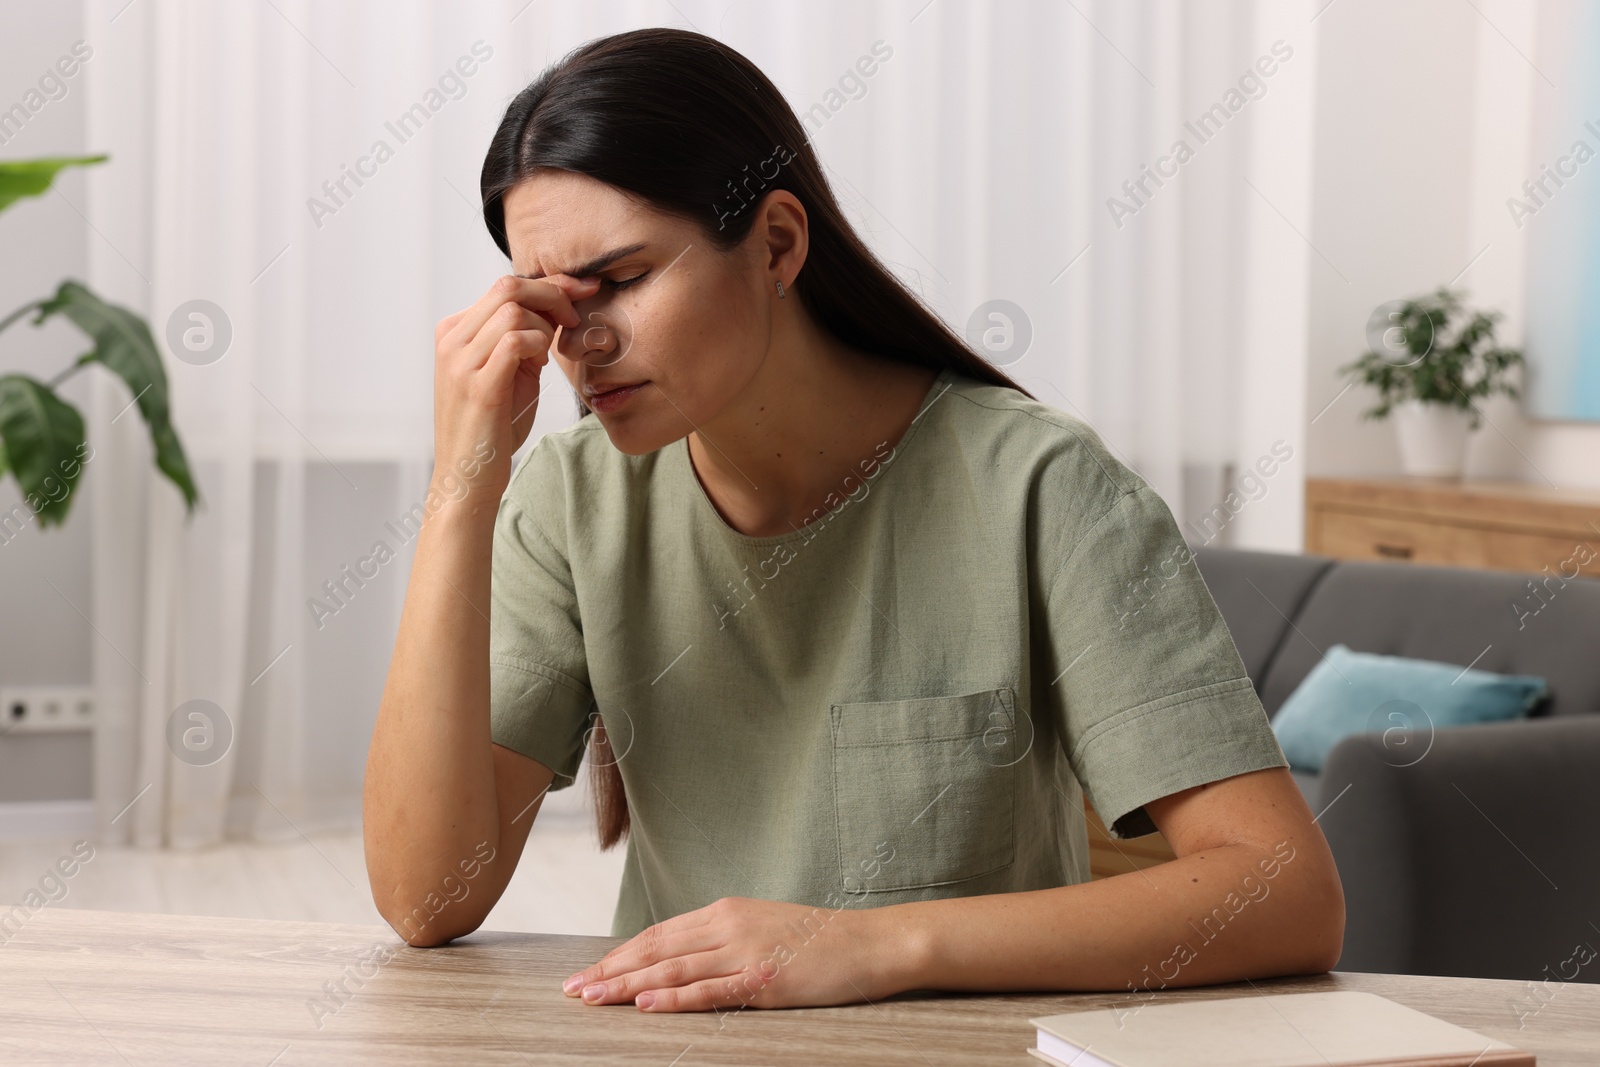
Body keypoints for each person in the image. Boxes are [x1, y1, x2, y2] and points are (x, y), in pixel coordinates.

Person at [362, 26, 1344, 1015]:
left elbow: (1284, 890)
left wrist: (873, 942)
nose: (585, 345)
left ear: (778, 244)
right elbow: (423, 897)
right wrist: (462, 484)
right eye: (552, 307)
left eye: (619, 280)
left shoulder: (1042, 486)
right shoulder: (571, 500)